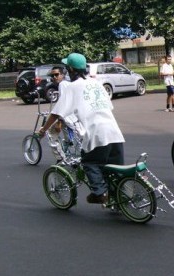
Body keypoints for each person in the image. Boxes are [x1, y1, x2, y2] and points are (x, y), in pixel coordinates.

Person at [37, 53, 125, 204]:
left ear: (71, 69)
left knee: (89, 162)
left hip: (96, 133)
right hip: (114, 131)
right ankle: (119, 200)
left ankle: (99, 193)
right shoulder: (96, 83)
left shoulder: (72, 87)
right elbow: (109, 106)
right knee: (114, 169)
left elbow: (57, 113)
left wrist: (43, 130)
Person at [46, 66, 68, 162]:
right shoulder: (69, 83)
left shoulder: (62, 85)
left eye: (56, 74)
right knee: (68, 135)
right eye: (53, 75)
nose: (54, 77)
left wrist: (59, 121)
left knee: (50, 132)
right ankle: (68, 144)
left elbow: (63, 104)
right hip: (73, 117)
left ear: (62, 74)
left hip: (65, 117)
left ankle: (60, 158)